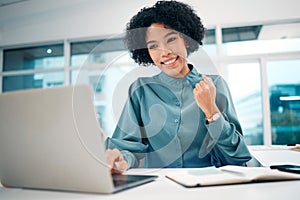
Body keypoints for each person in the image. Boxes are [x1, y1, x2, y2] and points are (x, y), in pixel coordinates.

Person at [105, 0, 252, 174]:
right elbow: (128, 148)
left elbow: (237, 156)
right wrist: (120, 161)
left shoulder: (214, 86)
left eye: (171, 39)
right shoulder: (141, 90)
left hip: (208, 186)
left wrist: (211, 111)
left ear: (187, 40)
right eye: (153, 46)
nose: (164, 52)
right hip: (160, 188)